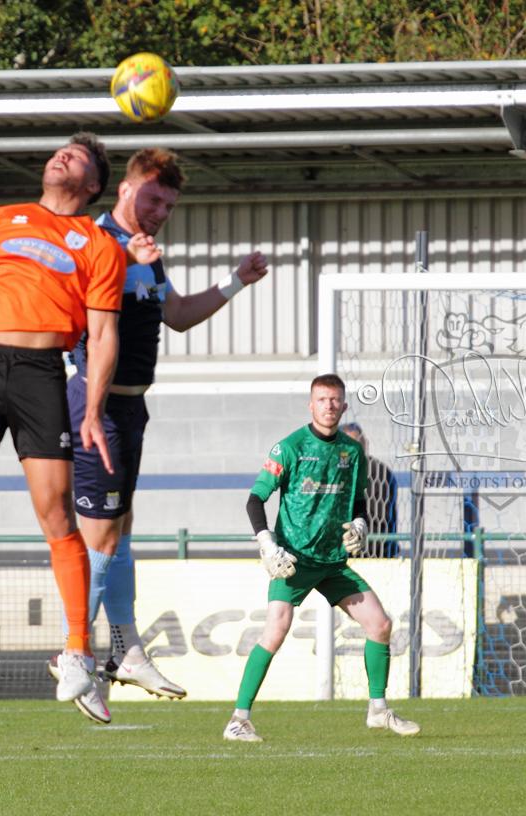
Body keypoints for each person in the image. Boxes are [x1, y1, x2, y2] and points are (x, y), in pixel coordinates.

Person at [0, 133, 152, 706]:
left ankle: (78, 650)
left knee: (56, 513)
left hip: (41, 374)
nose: (61, 156)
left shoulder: (98, 245)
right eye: (59, 151)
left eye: (76, 156)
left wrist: (92, 409)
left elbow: (103, 335)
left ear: (93, 183)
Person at [62, 147, 269, 724]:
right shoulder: (92, 240)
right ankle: (74, 653)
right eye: (152, 199)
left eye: (169, 205)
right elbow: (71, 306)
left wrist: (235, 282)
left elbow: (175, 314)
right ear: (125, 190)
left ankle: (125, 652)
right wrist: (121, 258)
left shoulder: (147, 253)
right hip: (96, 405)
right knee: (99, 538)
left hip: (132, 409)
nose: (159, 212)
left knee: (120, 531)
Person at [223, 374, 420, 743]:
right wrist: (266, 542)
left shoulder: (352, 451)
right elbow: (255, 499)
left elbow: (359, 501)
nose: (329, 405)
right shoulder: (290, 447)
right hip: (294, 561)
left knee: (380, 625)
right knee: (275, 632)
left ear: (343, 405)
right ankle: (238, 720)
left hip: (332, 562)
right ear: (310, 405)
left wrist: (361, 523)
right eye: (322, 399)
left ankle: (378, 710)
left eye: (334, 399)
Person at [339, 423, 399, 557]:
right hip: (340, 551)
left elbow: (378, 516)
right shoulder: (334, 471)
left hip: (373, 552)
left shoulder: (378, 472)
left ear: (364, 445)